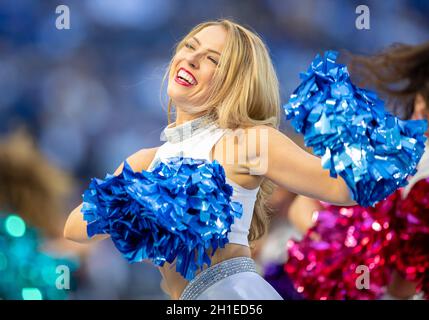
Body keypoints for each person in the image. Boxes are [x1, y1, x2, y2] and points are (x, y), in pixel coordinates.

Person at [64, 19, 362, 301]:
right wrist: (144, 201)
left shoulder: (247, 140)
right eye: (190, 47)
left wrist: (346, 129)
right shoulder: (146, 162)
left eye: (213, 59)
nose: (192, 59)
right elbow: (76, 228)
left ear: (236, 82)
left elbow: (342, 190)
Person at [281, 41, 429, 300]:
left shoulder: (386, 146)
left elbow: (301, 209)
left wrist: (339, 251)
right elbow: (400, 286)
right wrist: (349, 249)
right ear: (419, 104)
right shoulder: (394, 152)